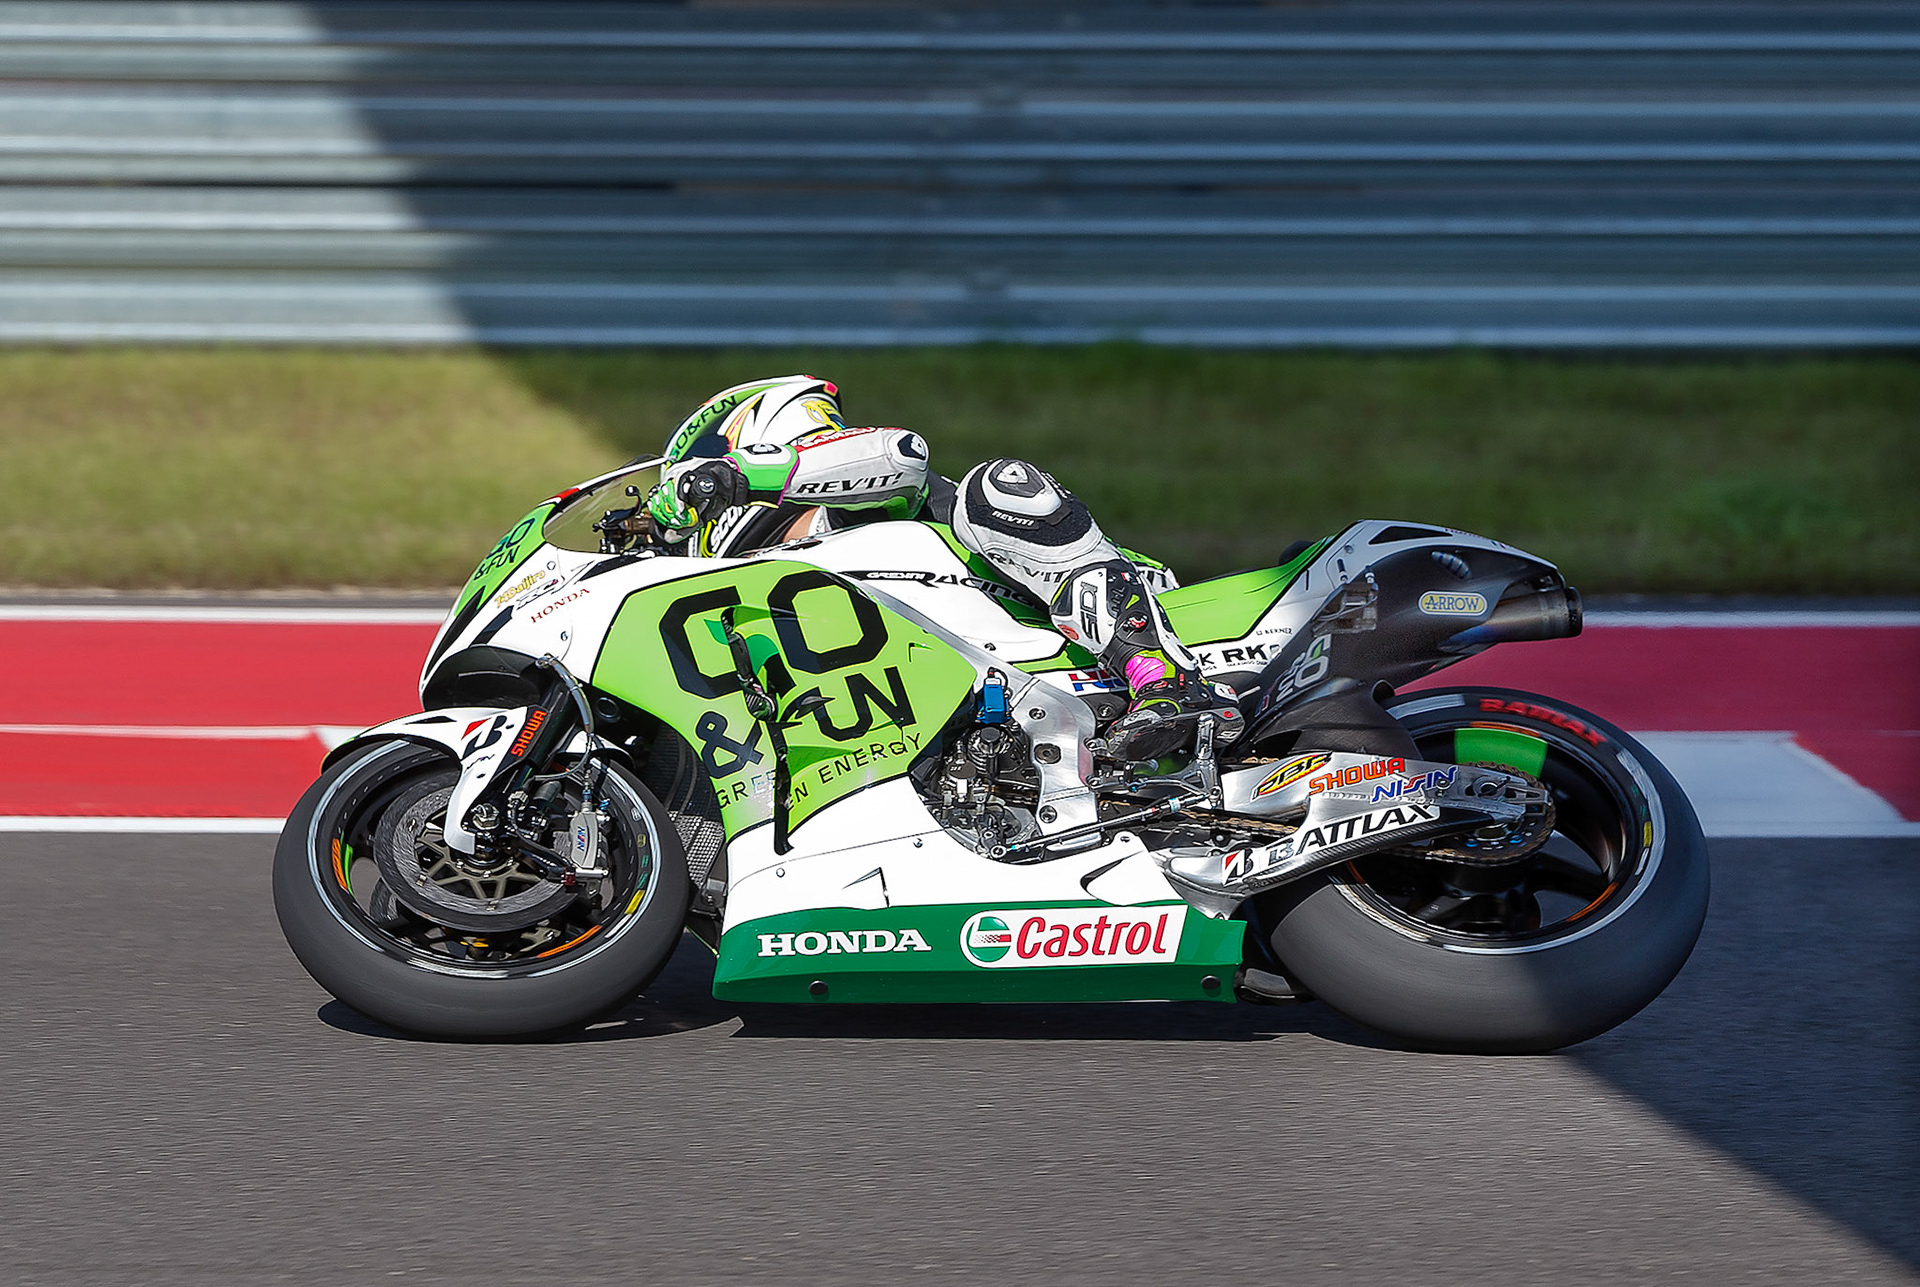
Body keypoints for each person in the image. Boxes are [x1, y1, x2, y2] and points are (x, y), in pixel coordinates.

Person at [643, 375, 1243, 761]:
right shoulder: (761, 601)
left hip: (1125, 617)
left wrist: (734, 478)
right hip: (983, 727)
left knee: (997, 485)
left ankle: (1164, 676)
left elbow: (902, 454)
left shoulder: (853, 508)